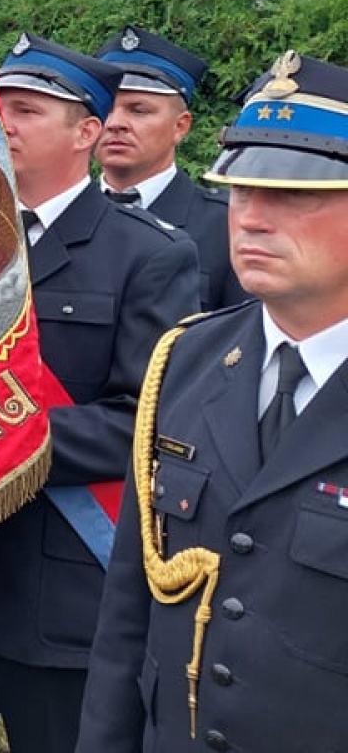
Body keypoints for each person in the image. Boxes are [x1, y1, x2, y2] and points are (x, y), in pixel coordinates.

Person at [0, 35, 200, 753]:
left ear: (87, 132)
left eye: (24, 110)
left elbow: (144, 424)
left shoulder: (150, 255)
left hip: (57, 580)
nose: (3, 124)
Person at [78, 51, 348, 752]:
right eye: (242, 189)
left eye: (294, 193)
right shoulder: (186, 360)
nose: (252, 217)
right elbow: (129, 613)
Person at [95, 25, 247, 310]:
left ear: (181, 126)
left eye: (138, 110)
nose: (115, 123)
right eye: (106, 109)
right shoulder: (60, 216)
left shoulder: (227, 225)